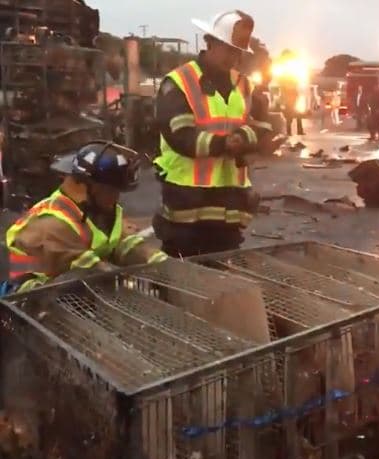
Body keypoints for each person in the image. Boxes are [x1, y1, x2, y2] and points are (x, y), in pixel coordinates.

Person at [153, 10, 275, 258]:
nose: (233, 57)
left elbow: (265, 125)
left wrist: (245, 137)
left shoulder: (244, 85)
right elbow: (180, 136)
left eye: (238, 51)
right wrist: (225, 144)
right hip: (187, 203)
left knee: (223, 267)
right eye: (228, 49)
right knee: (182, 268)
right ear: (209, 42)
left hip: (229, 204)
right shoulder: (179, 82)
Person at [2, 141, 167, 295]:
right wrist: (125, 279)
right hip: (29, 296)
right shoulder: (53, 223)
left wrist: (157, 260)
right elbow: (90, 268)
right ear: (86, 186)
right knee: (87, 285)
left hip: (73, 284)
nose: (116, 197)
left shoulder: (97, 209)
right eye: (111, 190)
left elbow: (120, 242)